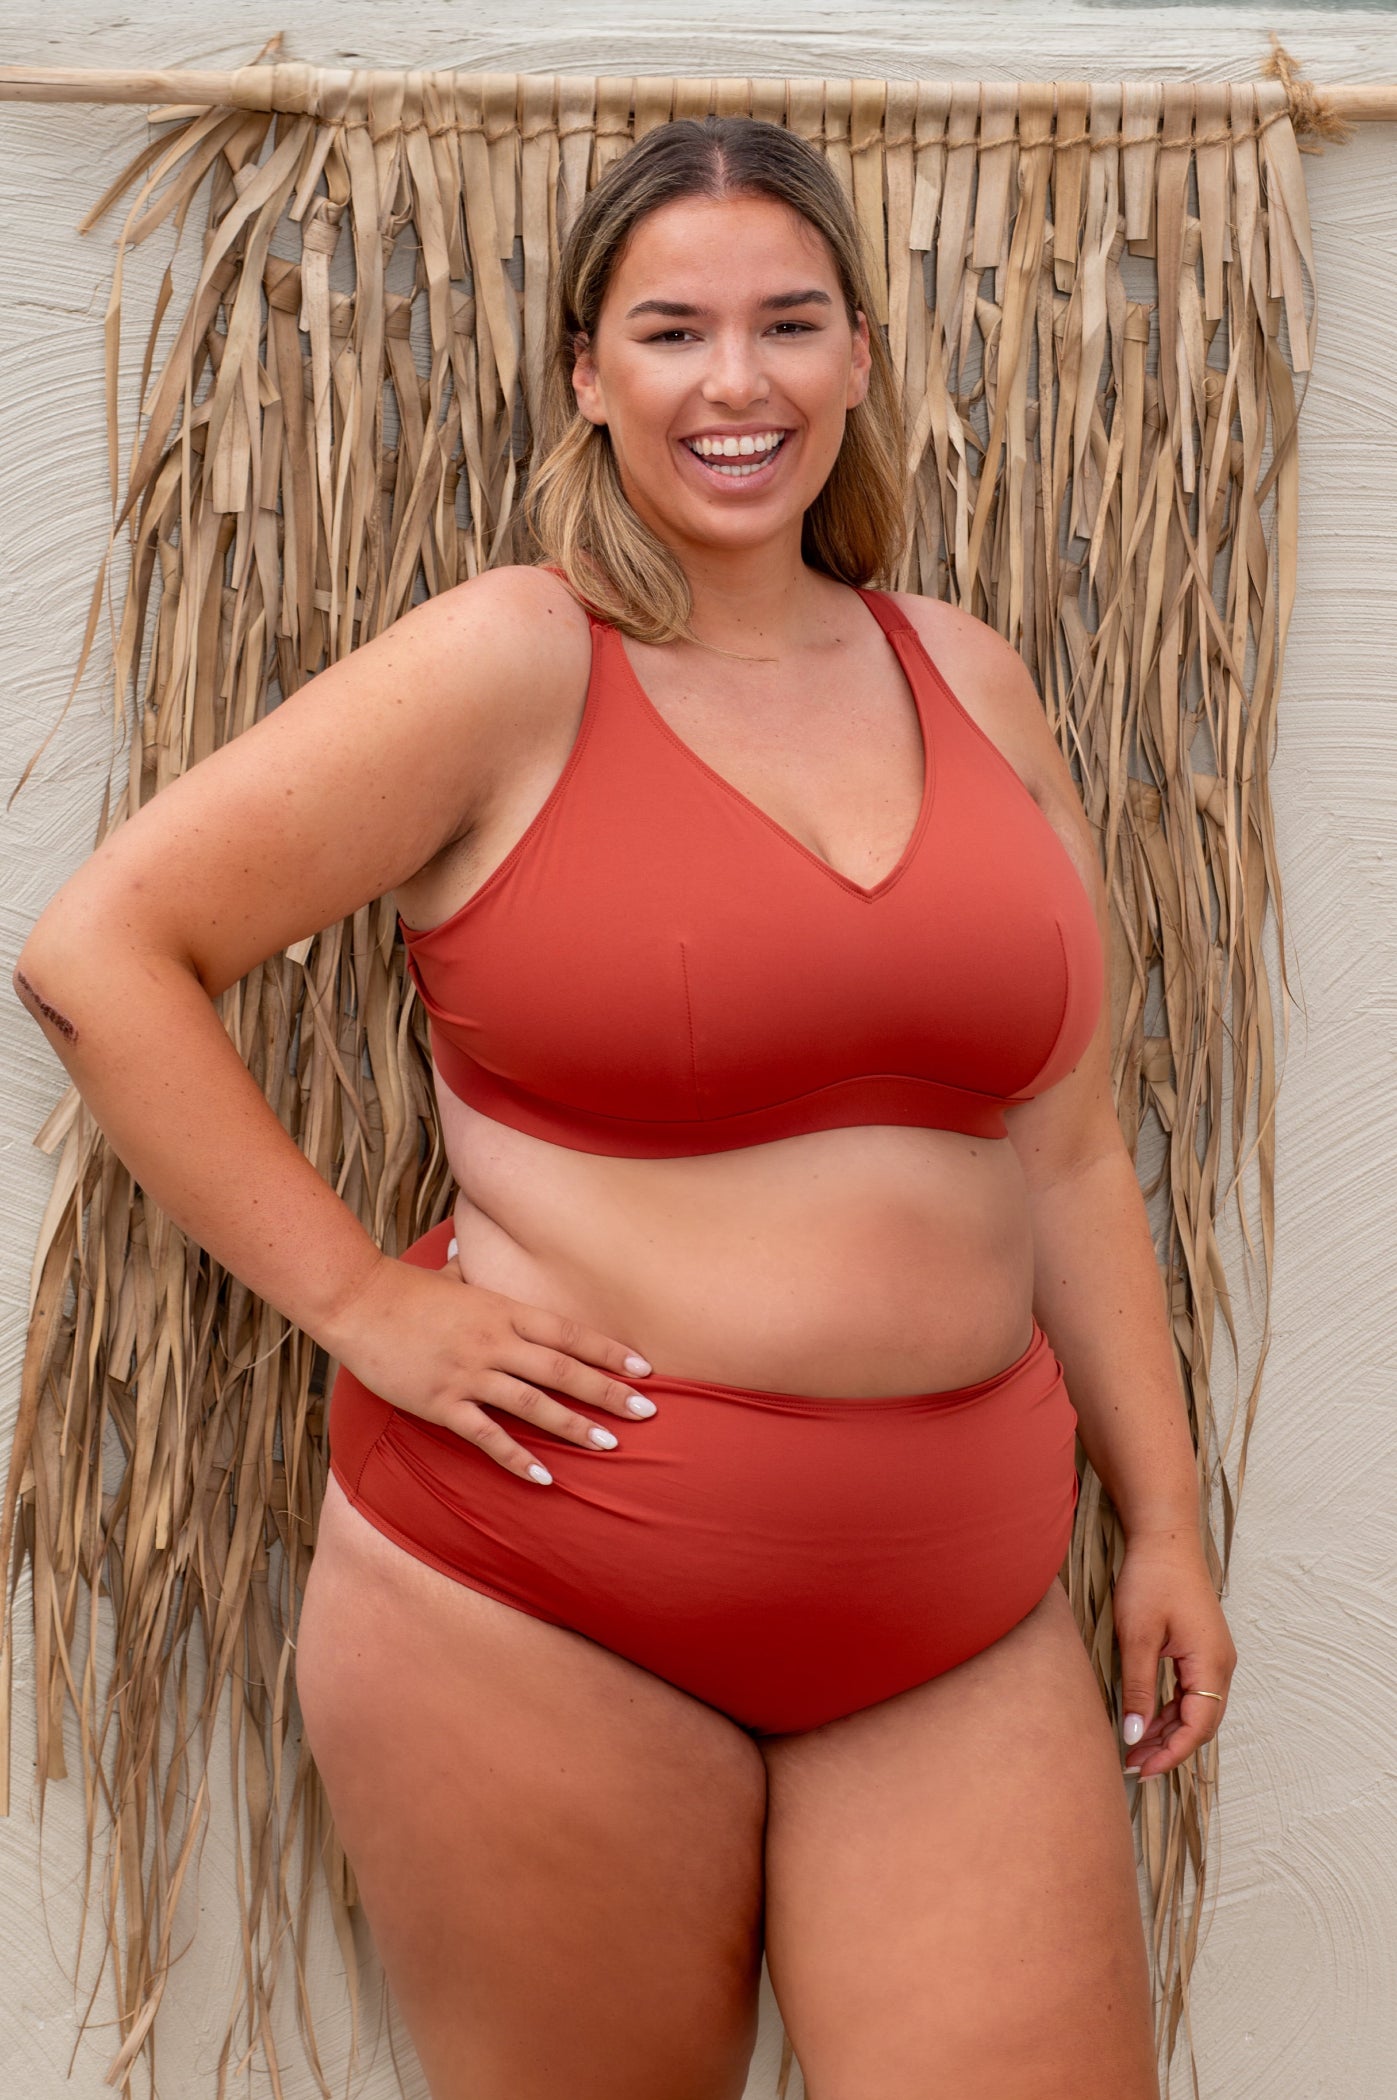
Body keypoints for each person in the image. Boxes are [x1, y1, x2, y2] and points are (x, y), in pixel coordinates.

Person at [15, 114, 1235, 2100]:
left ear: (857, 352)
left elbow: (1071, 1146)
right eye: (672, 330)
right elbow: (104, 954)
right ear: (587, 373)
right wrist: (357, 1298)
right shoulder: (514, 661)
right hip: (543, 1602)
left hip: (962, 1613)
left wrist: (1165, 1517)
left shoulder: (973, 680)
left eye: (788, 323)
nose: (735, 383)